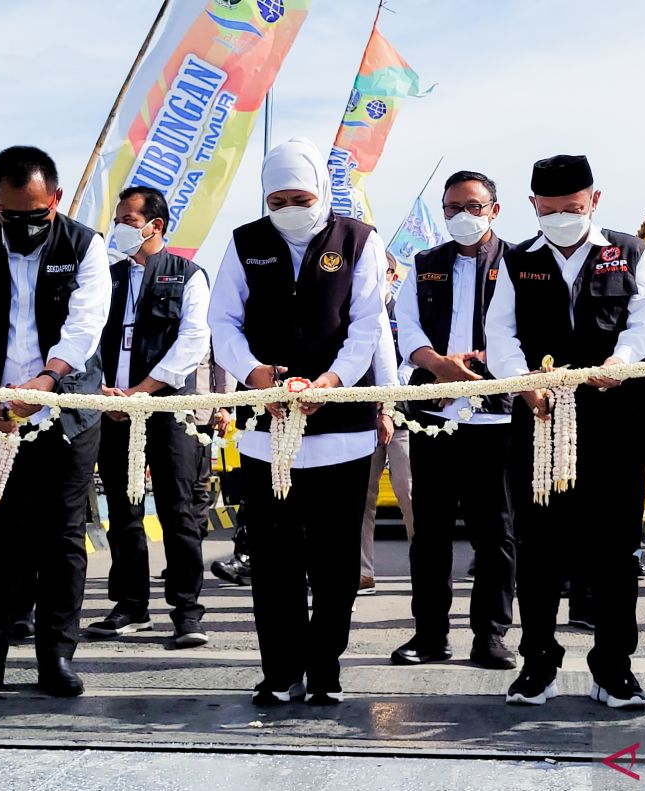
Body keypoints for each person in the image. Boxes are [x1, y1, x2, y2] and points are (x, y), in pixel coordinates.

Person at [208, 138, 385, 706]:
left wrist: (332, 385)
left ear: (322, 193)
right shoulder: (245, 243)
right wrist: (255, 374)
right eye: (277, 198)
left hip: (342, 431)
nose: (288, 207)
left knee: (335, 564)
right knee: (274, 560)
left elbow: (366, 326)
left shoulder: (358, 241)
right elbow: (224, 321)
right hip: (267, 432)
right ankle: (280, 670)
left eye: (299, 196)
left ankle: (326, 667)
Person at [483, 155, 645, 710]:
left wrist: (624, 361)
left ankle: (614, 668)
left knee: (614, 551)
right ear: (533, 205)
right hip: (540, 421)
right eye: (552, 209)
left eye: (574, 208)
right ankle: (538, 663)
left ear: (595, 201)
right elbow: (500, 333)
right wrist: (520, 383)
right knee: (538, 549)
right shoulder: (517, 260)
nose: (563, 217)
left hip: (615, 417)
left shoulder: (628, 252)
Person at [0, 145, 109, 699]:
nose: (29, 225)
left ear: (55, 200)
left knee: (61, 536)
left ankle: (56, 657)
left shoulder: (85, 245)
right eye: (15, 216)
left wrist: (48, 381)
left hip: (65, 408)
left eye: (40, 214)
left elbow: (85, 328)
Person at [392, 170, 516, 669]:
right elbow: (408, 331)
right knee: (431, 534)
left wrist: (488, 362)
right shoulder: (424, 264)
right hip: (434, 418)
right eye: (452, 208)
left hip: (497, 421)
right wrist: (439, 364)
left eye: (473, 206)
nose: (462, 216)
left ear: (495, 209)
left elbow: (523, 331)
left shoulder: (519, 262)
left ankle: (490, 635)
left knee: (497, 534)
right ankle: (429, 635)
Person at [86, 186, 212, 648]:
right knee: (123, 510)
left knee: (180, 509)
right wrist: (100, 390)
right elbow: (84, 334)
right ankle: (130, 605)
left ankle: (186, 611)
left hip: (168, 407)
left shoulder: (188, 276)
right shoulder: (105, 276)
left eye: (125, 218)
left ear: (154, 225)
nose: (117, 227)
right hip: (110, 406)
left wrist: (141, 392)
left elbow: (193, 341)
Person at [357, 256, 414, 596]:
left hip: (403, 417)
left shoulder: (405, 312)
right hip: (362, 419)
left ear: (393, 276)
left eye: (384, 274)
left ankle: (423, 566)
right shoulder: (353, 313)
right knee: (362, 497)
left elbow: (411, 360)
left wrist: (389, 401)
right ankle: (362, 572)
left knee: (409, 493)